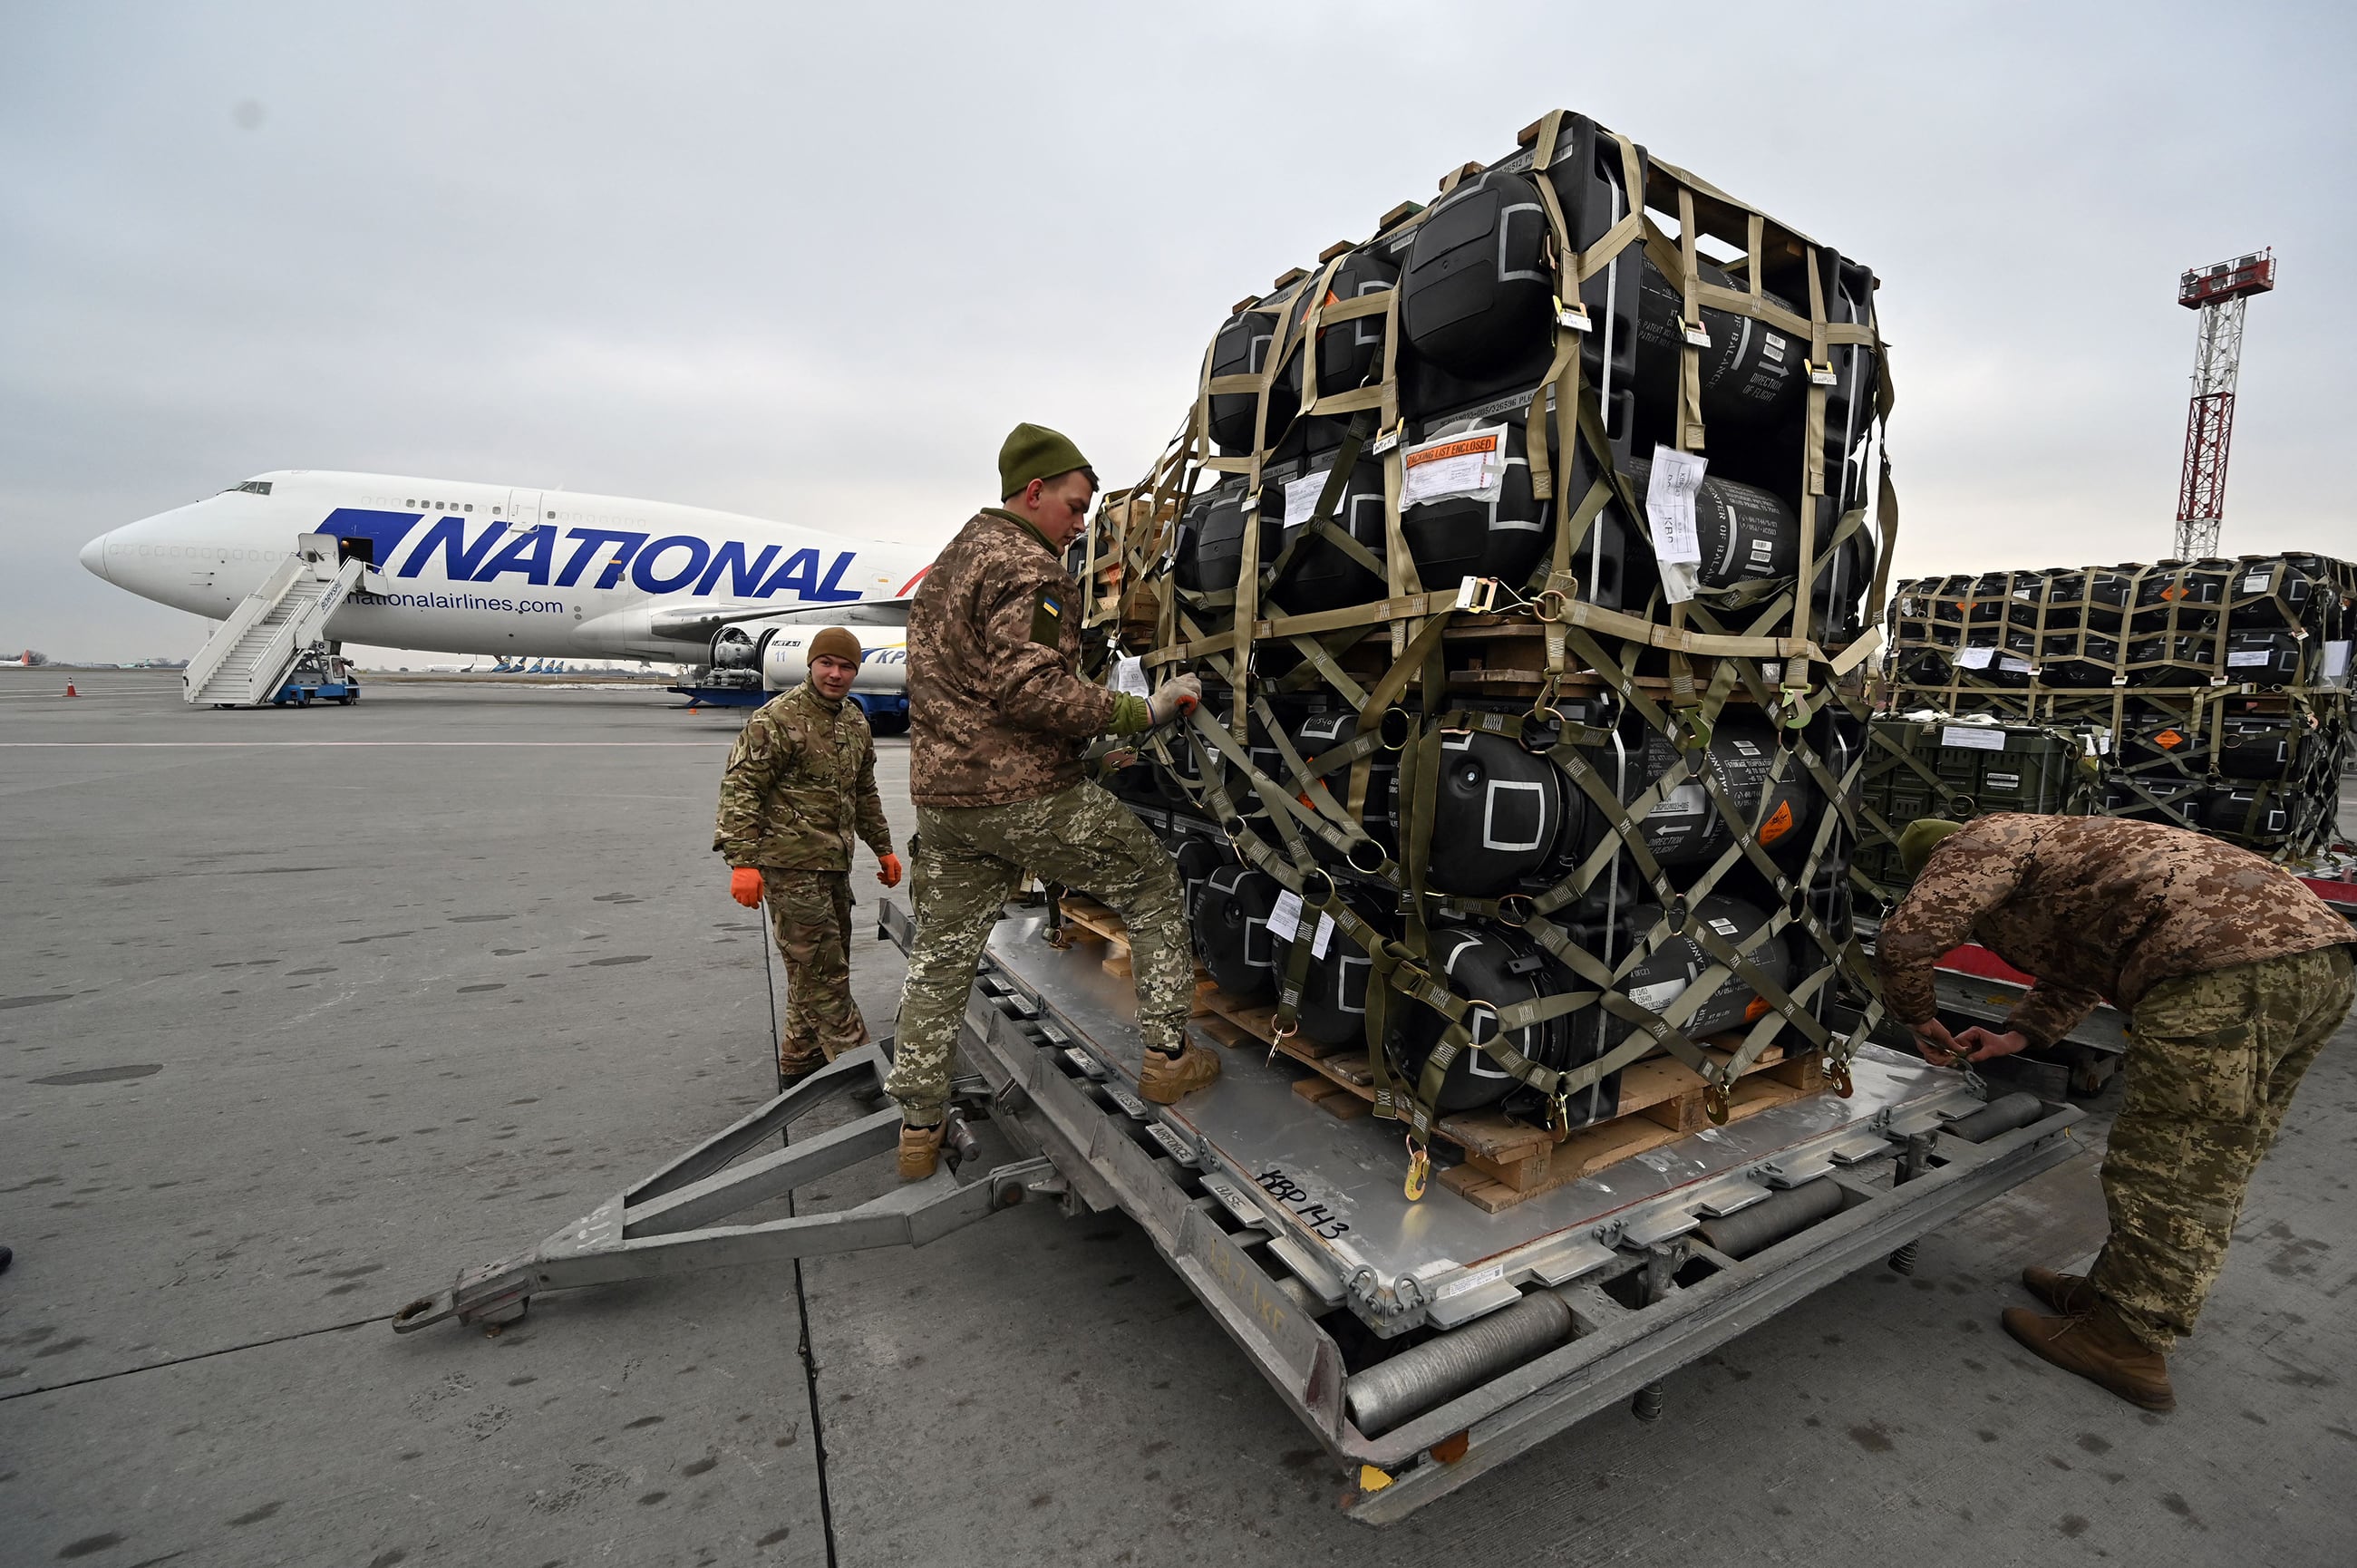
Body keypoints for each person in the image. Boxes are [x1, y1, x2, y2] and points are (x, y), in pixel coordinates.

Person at [1878, 813, 2354, 1410]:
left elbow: (1904, 943)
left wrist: (1918, 1016)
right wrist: (2018, 1037)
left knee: (2172, 1162)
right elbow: (2078, 968)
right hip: (2319, 959)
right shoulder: (2058, 851)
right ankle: (2112, 1297)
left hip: (2220, 967)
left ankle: (2127, 1341)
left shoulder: (1974, 844)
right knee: (2220, 1150)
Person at [887, 422, 1208, 1180]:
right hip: (1024, 796)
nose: (1080, 525)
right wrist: (1144, 709)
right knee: (1152, 883)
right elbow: (1033, 691)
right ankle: (1167, 1057)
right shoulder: (1031, 568)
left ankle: (919, 1128)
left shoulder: (951, 563)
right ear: (1034, 492)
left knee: (940, 960)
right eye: (1075, 506)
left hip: (946, 803)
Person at [715, 627, 903, 1084]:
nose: (835, 674)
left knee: (816, 967)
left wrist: (883, 848)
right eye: (827, 664)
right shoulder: (777, 719)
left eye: (846, 666)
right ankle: (860, 1070)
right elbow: (741, 789)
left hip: (834, 867)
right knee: (823, 973)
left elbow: (863, 792)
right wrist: (743, 861)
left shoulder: (854, 721)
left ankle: (800, 1062)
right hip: (789, 868)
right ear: (811, 664)